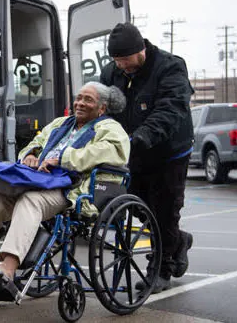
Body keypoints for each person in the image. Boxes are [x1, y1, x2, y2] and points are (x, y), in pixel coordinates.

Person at [0, 81, 130, 300]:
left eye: (88, 100)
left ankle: (7, 269)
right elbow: (36, 142)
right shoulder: (62, 123)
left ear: (102, 108)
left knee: (31, 200)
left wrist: (63, 159)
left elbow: (110, 152)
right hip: (40, 180)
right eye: (79, 97)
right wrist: (30, 154)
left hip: (73, 188)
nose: (80, 103)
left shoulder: (110, 128)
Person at [100, 22, 194, 293]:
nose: (122, 66)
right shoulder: (112, 72)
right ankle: (179, 241)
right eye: (117, 61)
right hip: (132, 152)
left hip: (169, 152)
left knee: (165, 210)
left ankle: (161, 271)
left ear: (141, 50)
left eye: (126, 60)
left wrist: (142, 136)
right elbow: (103, 104)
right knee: (141, 208)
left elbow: (170, 107)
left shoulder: (170, 66)